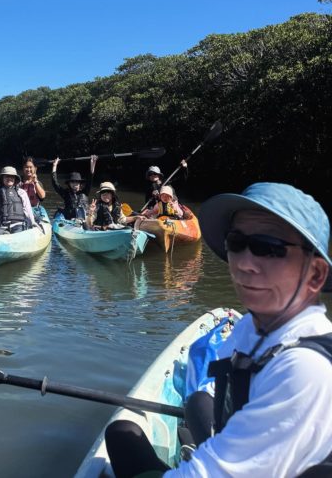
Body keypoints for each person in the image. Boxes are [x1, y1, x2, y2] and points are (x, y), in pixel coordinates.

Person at [104, 182, 332, 477]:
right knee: (123, 433)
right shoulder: (250, 327)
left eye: (269, 248)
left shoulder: (306, 369)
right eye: (237, 242)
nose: (246, 263)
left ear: (314, 273)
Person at [0, 166, 37, 235]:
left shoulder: (21, 192)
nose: (9, 178)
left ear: (15, 179)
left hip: (18, 225)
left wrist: (33, 223)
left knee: (18, 234)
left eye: (12, 176)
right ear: (2, 179)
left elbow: (28, 210)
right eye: (7, 176)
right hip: (0, 226)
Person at [51, 155, 97, 220]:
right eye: (72, 182)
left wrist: (92, 163)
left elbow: (90, 178)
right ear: (69, 184)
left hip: (84, 219)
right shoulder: (65, 193)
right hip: (70, 221)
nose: (74, 184)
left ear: (80, 183)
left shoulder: (85, 192)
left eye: (77, 182)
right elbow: (55, 183)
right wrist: (54, 166)